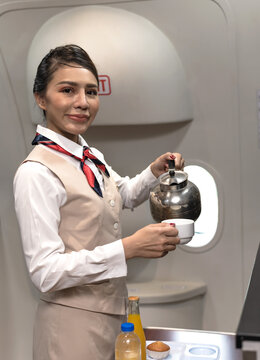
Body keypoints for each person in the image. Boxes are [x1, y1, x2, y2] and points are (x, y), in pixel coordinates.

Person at [13, 44, 184, 360]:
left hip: (114, 320)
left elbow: (121, 195)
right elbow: (45, 272)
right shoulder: (36, 173)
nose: (82, 103)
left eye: (91, 92)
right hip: (69, 329)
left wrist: (153, 172)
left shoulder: (90, 156)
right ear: (41, 98)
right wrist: (129, 248)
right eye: (68, 90)